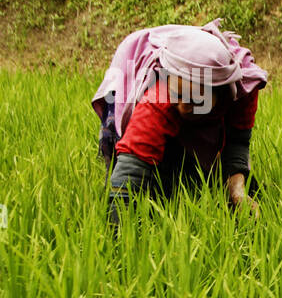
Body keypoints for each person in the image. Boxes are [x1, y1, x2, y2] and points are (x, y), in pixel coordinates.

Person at [90, 20, 268, 227]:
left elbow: (237, 143)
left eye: (196, 100)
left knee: (194, 169)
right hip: (133, 61)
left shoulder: (242, 92)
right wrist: (118, 237)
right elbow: (129, 172)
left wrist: (236, 191)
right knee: (137, 168)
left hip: (202, 64)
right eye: (179, 95)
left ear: (220, 93)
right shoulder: (159, 99)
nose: (184, 106)